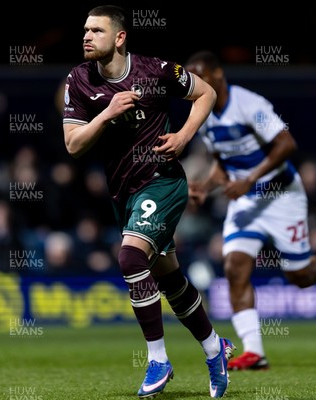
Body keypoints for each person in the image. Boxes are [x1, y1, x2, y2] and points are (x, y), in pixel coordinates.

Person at [62, 6, 234, 398]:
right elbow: (72, 144)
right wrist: (106, 114)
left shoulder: (156, 70)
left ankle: (158, 359)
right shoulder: (79, 79)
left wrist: (185, 136)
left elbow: (205, 92)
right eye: (85, 30)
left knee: (129, 258)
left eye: (96, 30)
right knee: (170, 280)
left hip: (163, 182)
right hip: (123, 192)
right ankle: (214, 348)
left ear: (119, 38)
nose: (86, 36)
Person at [184, 50, 316, 371]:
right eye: (190, 79)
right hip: (246, 202)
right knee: (234, 266)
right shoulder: (202, 114)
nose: (193, 85)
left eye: (199, 77)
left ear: (217, 74)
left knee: (300, 275)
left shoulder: (249, 104)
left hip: (281, 195)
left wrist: (250, 180)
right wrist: (205, 186)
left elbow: (286, 144)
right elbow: (224, 164)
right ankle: (255, 352)